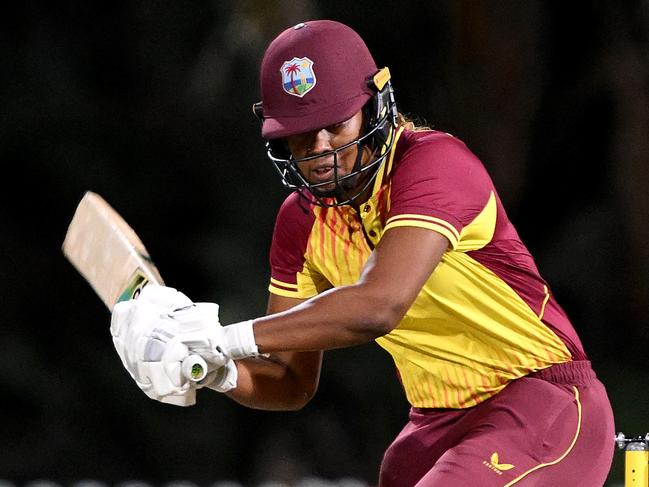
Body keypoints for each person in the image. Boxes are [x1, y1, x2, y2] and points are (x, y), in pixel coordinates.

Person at [110, 19, 616, 486]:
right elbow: (289, 379)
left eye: (336, 123)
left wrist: (224, 335)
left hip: (543, 398)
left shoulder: (434, 164)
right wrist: (215, 368)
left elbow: (380, 304)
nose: (321, 147)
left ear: (375, 106)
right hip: (434, 425)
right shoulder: (298, 223)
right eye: (300, 134)